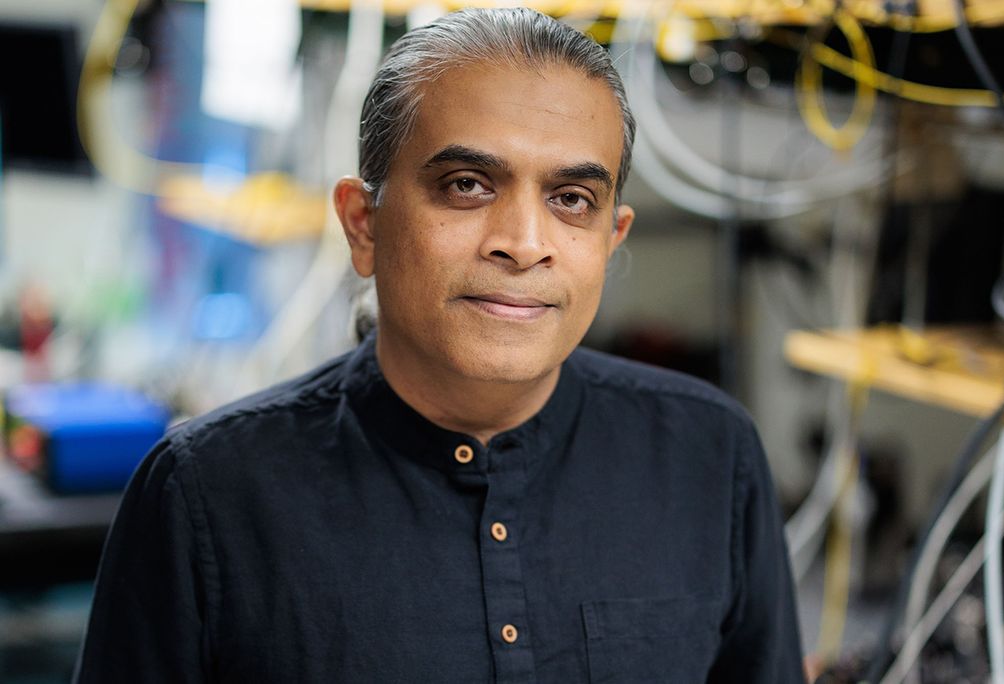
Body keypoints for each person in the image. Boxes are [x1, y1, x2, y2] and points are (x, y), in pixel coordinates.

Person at [76, 8, 804, 683]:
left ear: (611, 241)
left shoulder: (711, 458)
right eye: (466, 185)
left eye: (571, 199)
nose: (523, 244)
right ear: (364, 224)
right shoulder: (207, 496)